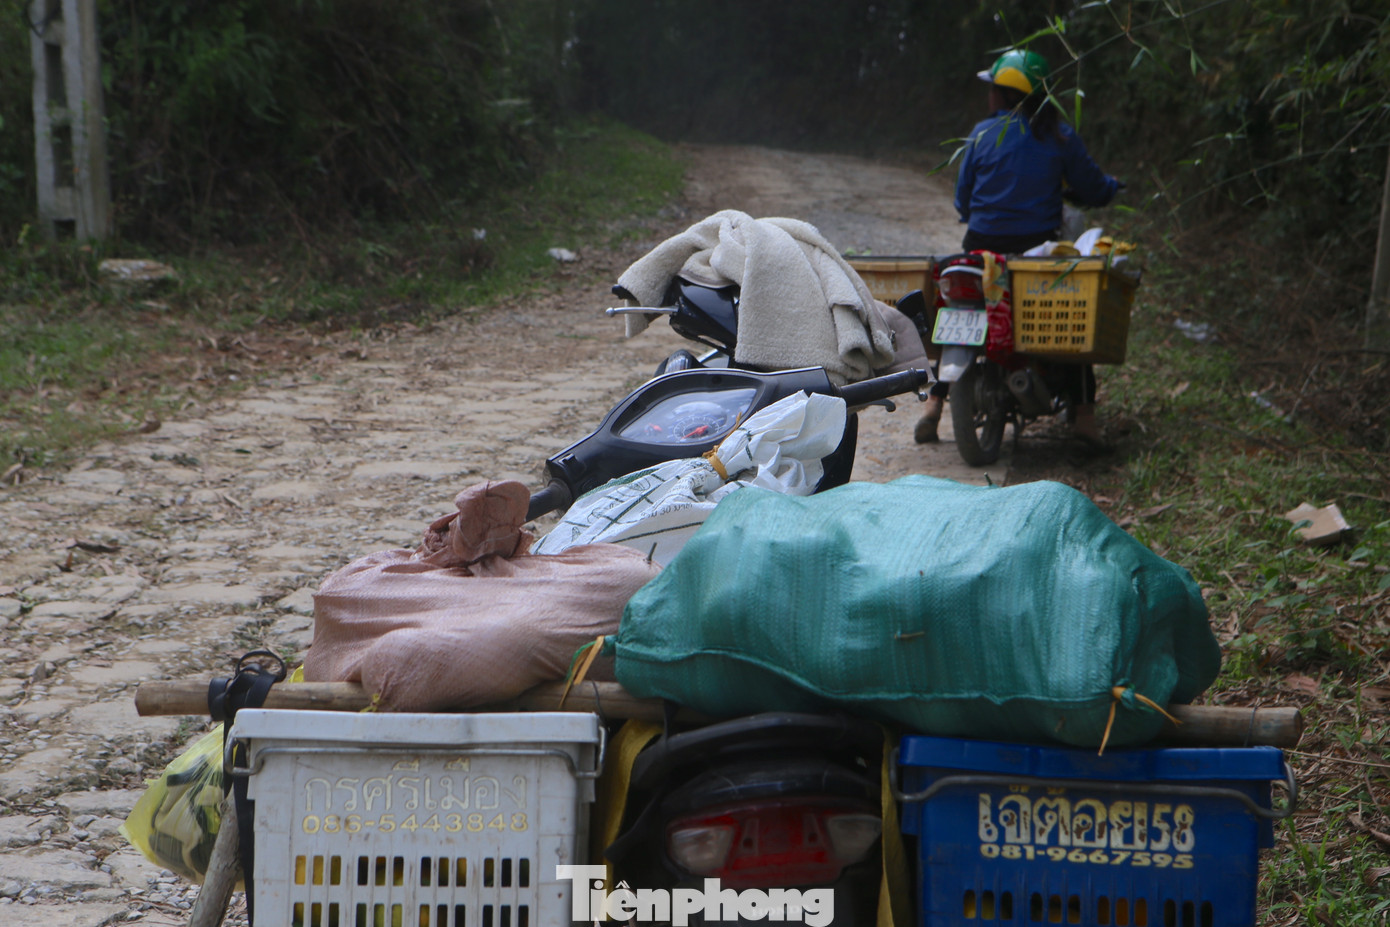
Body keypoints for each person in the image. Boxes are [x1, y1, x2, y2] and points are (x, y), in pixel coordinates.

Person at [915, 48, 1121, 450]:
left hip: (979, 253)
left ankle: (933, 406)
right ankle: (1084, 418)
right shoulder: (1059, 136)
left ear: (1007, 94)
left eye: (993, 87)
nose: (989, 94)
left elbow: (962, 200)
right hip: (1035, 254)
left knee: (959, 316)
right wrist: (1113, 187)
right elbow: (1094, 187)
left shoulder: (981, 133)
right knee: (1069, 317)